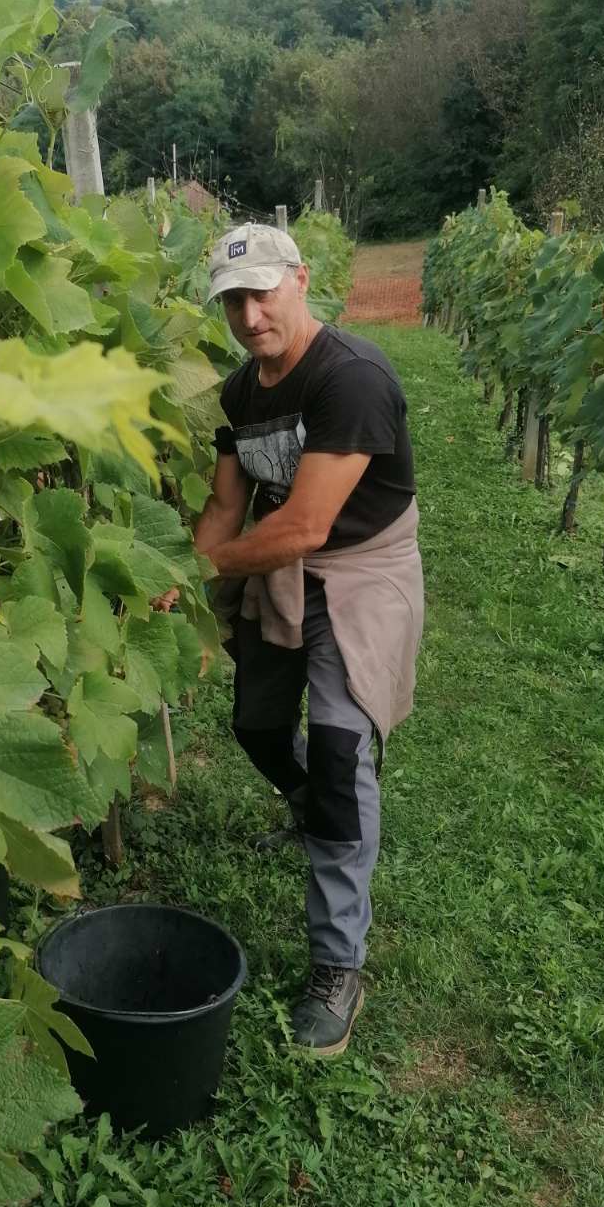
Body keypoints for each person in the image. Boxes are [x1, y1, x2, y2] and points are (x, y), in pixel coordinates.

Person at [154, 222, 424, 1056]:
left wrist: (207, 574)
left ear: (302, 280)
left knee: (341, 755)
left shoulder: (353, 379)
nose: (249, 313)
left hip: (364, 564)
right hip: (282, 562)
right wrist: (177, 575)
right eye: (233, 300)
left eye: (262, 291)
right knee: (257, 726)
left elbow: (305, 524)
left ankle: (339, 966)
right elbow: (227, 511)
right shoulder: (241, 396)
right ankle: (314, 807)